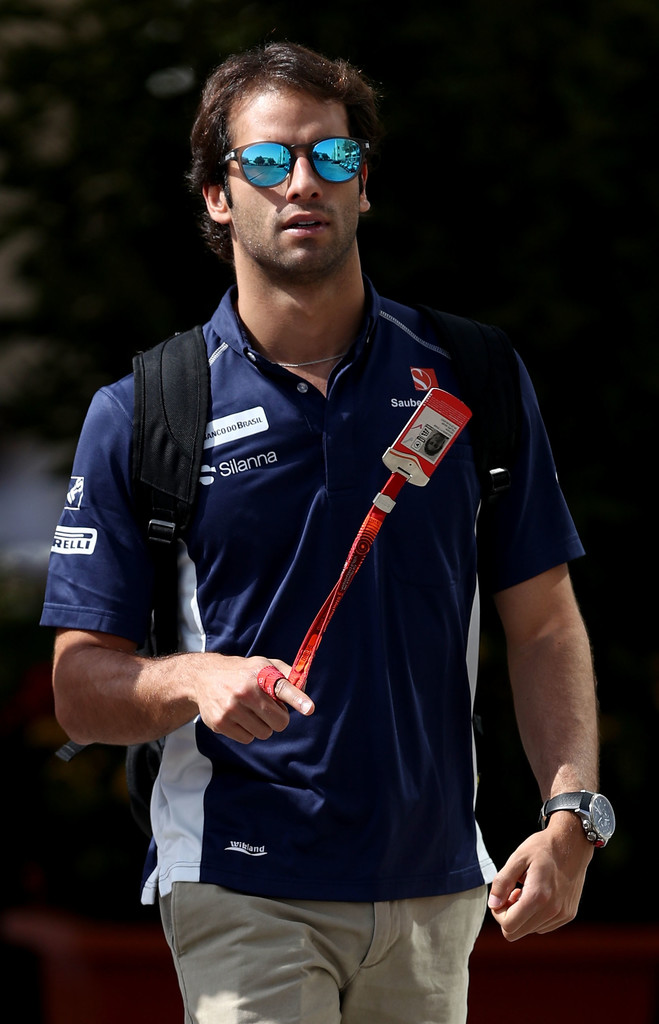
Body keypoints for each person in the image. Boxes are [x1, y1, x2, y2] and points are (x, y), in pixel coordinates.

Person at [41, 41, 612, 1024]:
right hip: (240, 878)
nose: (301, 182)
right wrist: (195, 679)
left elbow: (544, 625)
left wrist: (570, 816)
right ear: (218, 195)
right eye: (267, 161)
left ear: (361, 184)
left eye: (331, 158)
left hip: (433, 884)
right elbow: (79, 689)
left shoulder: (468, 374)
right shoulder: (147, 410)